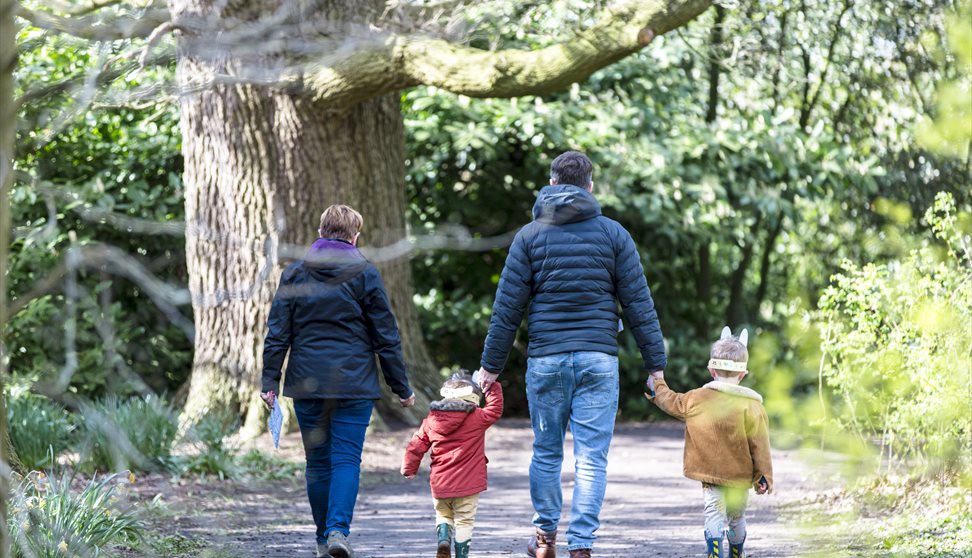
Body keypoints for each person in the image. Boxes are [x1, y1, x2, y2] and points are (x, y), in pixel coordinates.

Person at [477, 151, 667, 558]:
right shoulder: (614, 235)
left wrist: (490, 368)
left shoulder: (528, 236)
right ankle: (581, 545)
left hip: (547, 360)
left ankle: (545, 539)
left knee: (546, 452)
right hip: (599, 359)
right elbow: (639, 304)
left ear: (551, 184)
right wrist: (656, 366)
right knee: (591, 458)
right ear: (590, 186)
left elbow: (507, 308)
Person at [260, 204, 416, 558]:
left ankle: (321, 538)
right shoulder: (365, 274)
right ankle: (337, 531)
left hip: (307, 383)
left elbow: (276, 334)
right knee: (346, 459)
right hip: (354, 384)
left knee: (317, 462)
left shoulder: (295, 274)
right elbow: (386, 336)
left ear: (321, 232)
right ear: (354, 236)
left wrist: (269, 381)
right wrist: (401, 388)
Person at [645, 327, 773, 558]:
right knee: (737, 517)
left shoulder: (696, 399)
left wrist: (658, 384)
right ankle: (737, 553)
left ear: (711, 370)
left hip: (711, 474)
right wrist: (763, 475)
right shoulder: (752, 406)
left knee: (713, 513)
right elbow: (760, 445)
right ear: (743, 374)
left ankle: (715, 554)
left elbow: (670, 401)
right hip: (740, 476)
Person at [401, 371, 504, 558]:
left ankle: (443, 541)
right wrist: (491, 385)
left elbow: (416, 444)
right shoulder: (478, 417)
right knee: (464, 520)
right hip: (468, 483)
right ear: (473, 399)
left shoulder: (431, 421)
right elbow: (495, 409)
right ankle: (461, 555)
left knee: (444, 515)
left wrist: (409, 468)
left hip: (440, 484)